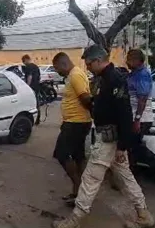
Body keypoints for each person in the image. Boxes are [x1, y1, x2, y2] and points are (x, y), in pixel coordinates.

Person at [52, 44, 154, 228]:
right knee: (126, 177)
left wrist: (123, 146)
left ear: (98, 61)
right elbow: (100, 104)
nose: (88, 67)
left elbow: (124, 114)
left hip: (109, 140)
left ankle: (74, 221)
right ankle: (144, 214)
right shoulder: (103, 79)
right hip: (110, 138)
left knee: (90, 179)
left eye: (89, 64)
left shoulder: (114, 79)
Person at [51, 52, 92, 208]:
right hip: (75, 122)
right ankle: (79, 193)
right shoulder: (73, 75)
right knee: (78, 156)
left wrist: (93, 115)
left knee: (61, 154)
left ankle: (78, 186)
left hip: (76, 123)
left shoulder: (75, 75)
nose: (57, 72)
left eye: (57, 69)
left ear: (64, 64)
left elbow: (86, 98)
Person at [126, 49, 154, 169]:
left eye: (129, 59)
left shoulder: (143, 75)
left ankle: (133, 174)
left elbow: (142, 99)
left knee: (133, 148)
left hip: (141, 118)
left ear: (137, 60)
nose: (127, 62)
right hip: (133, 116)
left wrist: (137, 120)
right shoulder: (134, 73)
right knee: (133, 147)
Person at [22, 54, 41, 125]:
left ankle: (33, 118)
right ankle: (38, 119)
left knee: (31, 103)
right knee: (37, 102)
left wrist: (27, 87)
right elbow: (39, 77)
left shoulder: (28, 67)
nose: (23, 63)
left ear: (26, 59)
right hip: (37, 86)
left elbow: (29, 77)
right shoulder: (36, 66)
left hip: (31, 87)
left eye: (23, 61)